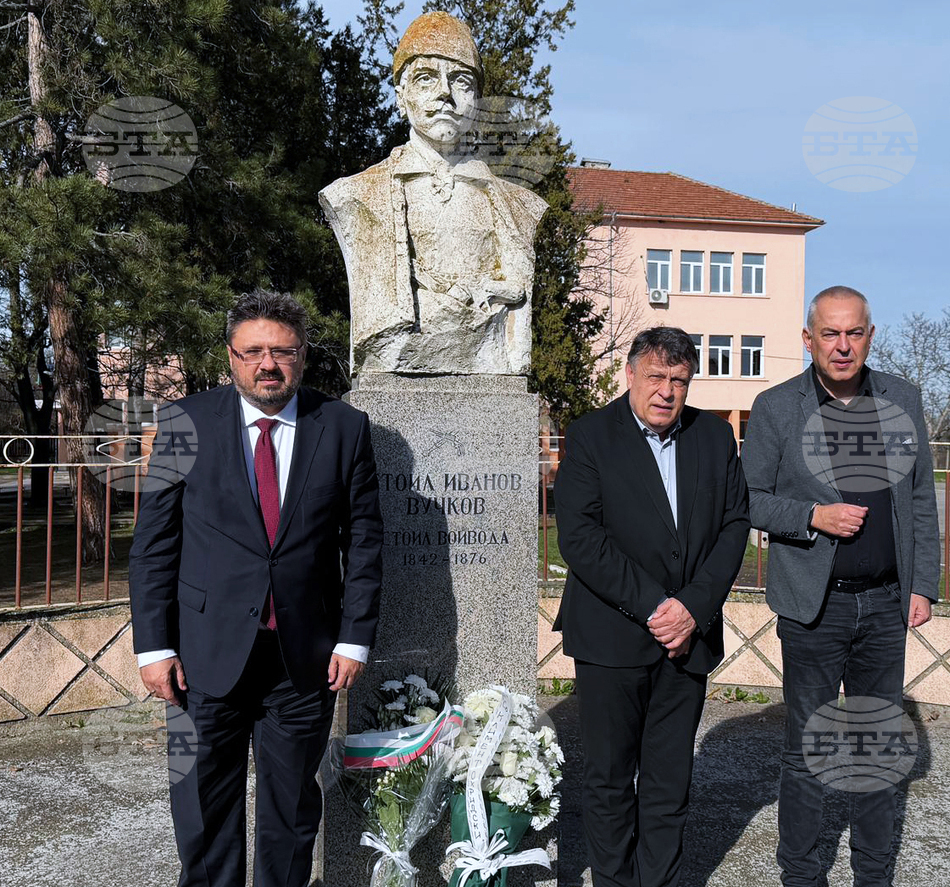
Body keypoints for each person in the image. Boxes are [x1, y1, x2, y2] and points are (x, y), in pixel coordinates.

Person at [129, 290, 383, 887]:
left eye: (283, 351)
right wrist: (153, 647)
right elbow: (153, 545)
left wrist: (354, 639)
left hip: (305, 660)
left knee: (292, 811)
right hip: (201, 656)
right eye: (253, 352)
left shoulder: (343, 428)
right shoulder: (183, 424)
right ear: (231, 356)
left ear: (302, 356)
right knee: (201, 806)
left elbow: (365, 542)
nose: (268, 364)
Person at [740, 286, 938, 887]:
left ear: (870, 337)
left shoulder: (903, 399)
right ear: (809, 340)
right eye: (830, 333)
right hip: (814, 607)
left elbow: (921, 498)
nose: (843, 345)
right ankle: (801, 875)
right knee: (808, 751)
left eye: (854, 333)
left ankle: (872, 875)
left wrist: (922, 584)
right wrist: (812, 516)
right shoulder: (777, 407)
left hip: (885, 604)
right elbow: (748, 499)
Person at [554, 327, 750, 887]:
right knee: (610, 781)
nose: (667, 391)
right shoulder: (591, 435)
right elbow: (581, 538)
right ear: (631, 374)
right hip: (611, 637)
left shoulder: (715, 436)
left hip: (687, 640)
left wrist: (692, 607)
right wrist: (659, 606)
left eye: (679, 380)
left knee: (669, 783)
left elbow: (735, 524)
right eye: (657, 376)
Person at [319, 10, 548, 375]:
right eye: (426, 78)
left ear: (477, 100)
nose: (445, 93)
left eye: (461, 81)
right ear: (401, 96)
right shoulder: (356, 195)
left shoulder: (519, 207)